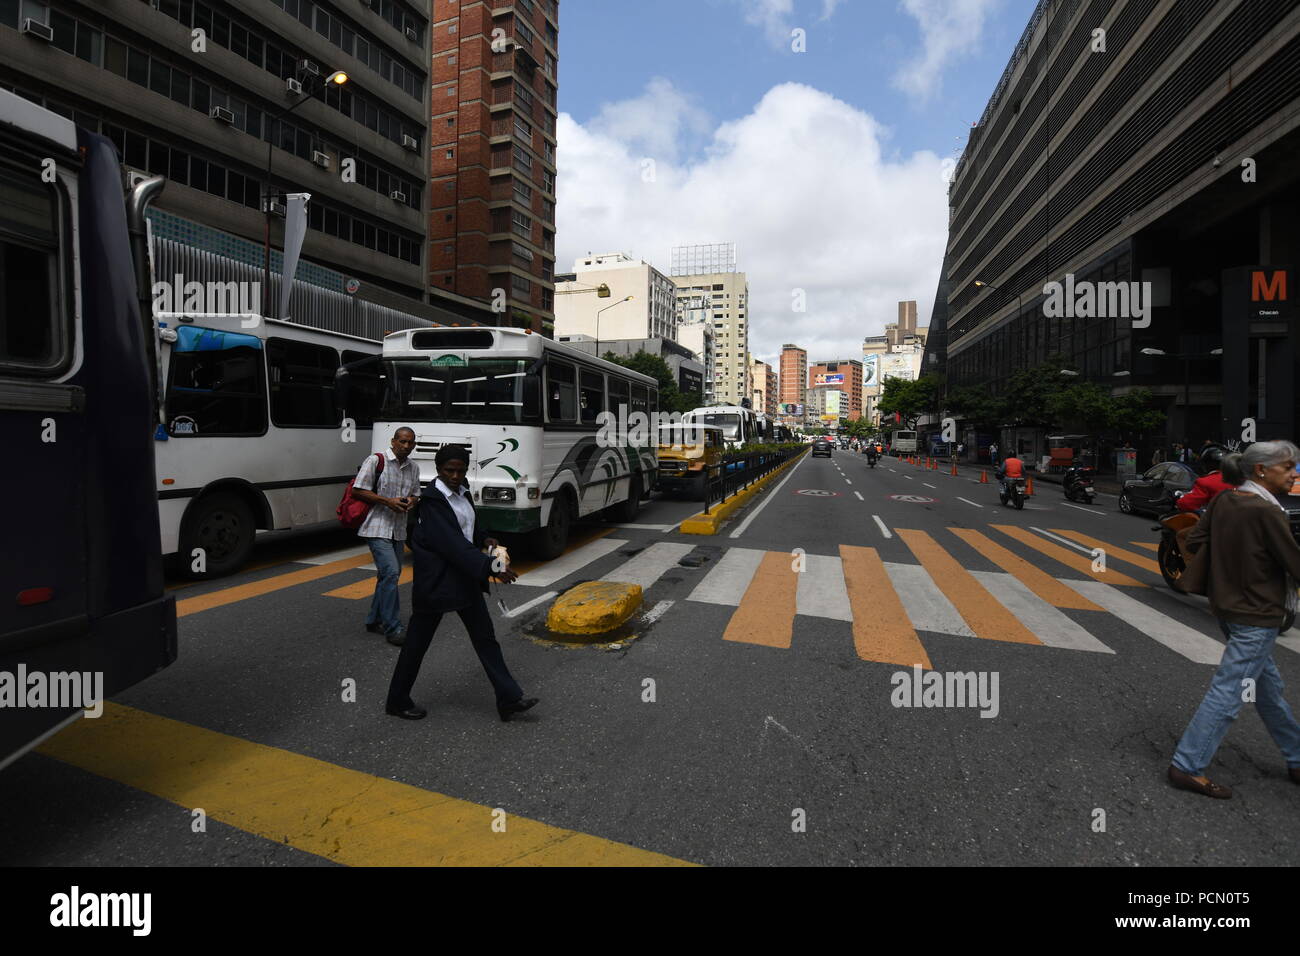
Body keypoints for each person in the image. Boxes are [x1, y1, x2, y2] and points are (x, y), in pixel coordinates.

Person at [1168, 441, 1300, 798]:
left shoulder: (1226, 499)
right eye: (1287, 467)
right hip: (1257, 614)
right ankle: (1188, 765)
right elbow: (1294, 563)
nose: (1294, 474)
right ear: (1261, 470)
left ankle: (1296, 755)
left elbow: (1195, 540)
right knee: (1229, 692)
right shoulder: (1267, 511)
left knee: (1267, 690)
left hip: (1227, 608)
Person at [385, 444, 539, 722]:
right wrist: (492, 568)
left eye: (460, 470)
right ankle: (397, 700)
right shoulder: (432, 501)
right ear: (438, 469)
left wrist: (485, 538)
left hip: (464, 579)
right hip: (438, 582)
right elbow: (452, 544)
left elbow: (468, 527)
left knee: (486, 640)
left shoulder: (462, 490)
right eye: (449, 471)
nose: (455, 476)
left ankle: (508, 699)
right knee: (416, 645)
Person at [352, 427, 422, 645]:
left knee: (388, 575)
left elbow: (416, 494)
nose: (406, 446)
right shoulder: (376, 461)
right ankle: (393, 628)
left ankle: (373, 619)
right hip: (376, 527)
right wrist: (387, 501)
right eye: (402, 441)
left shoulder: (414, 467)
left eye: (410, 442)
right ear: (393, 441)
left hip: (398, 529)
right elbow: (358, 490)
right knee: (391, 573)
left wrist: (411, 501)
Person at [1176, 445, 1232, 513]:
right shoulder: (1239, 479)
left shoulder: (1205, 482)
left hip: (1217, 521)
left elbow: (1185, 504)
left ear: (1205, 464)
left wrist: (1178, 501)